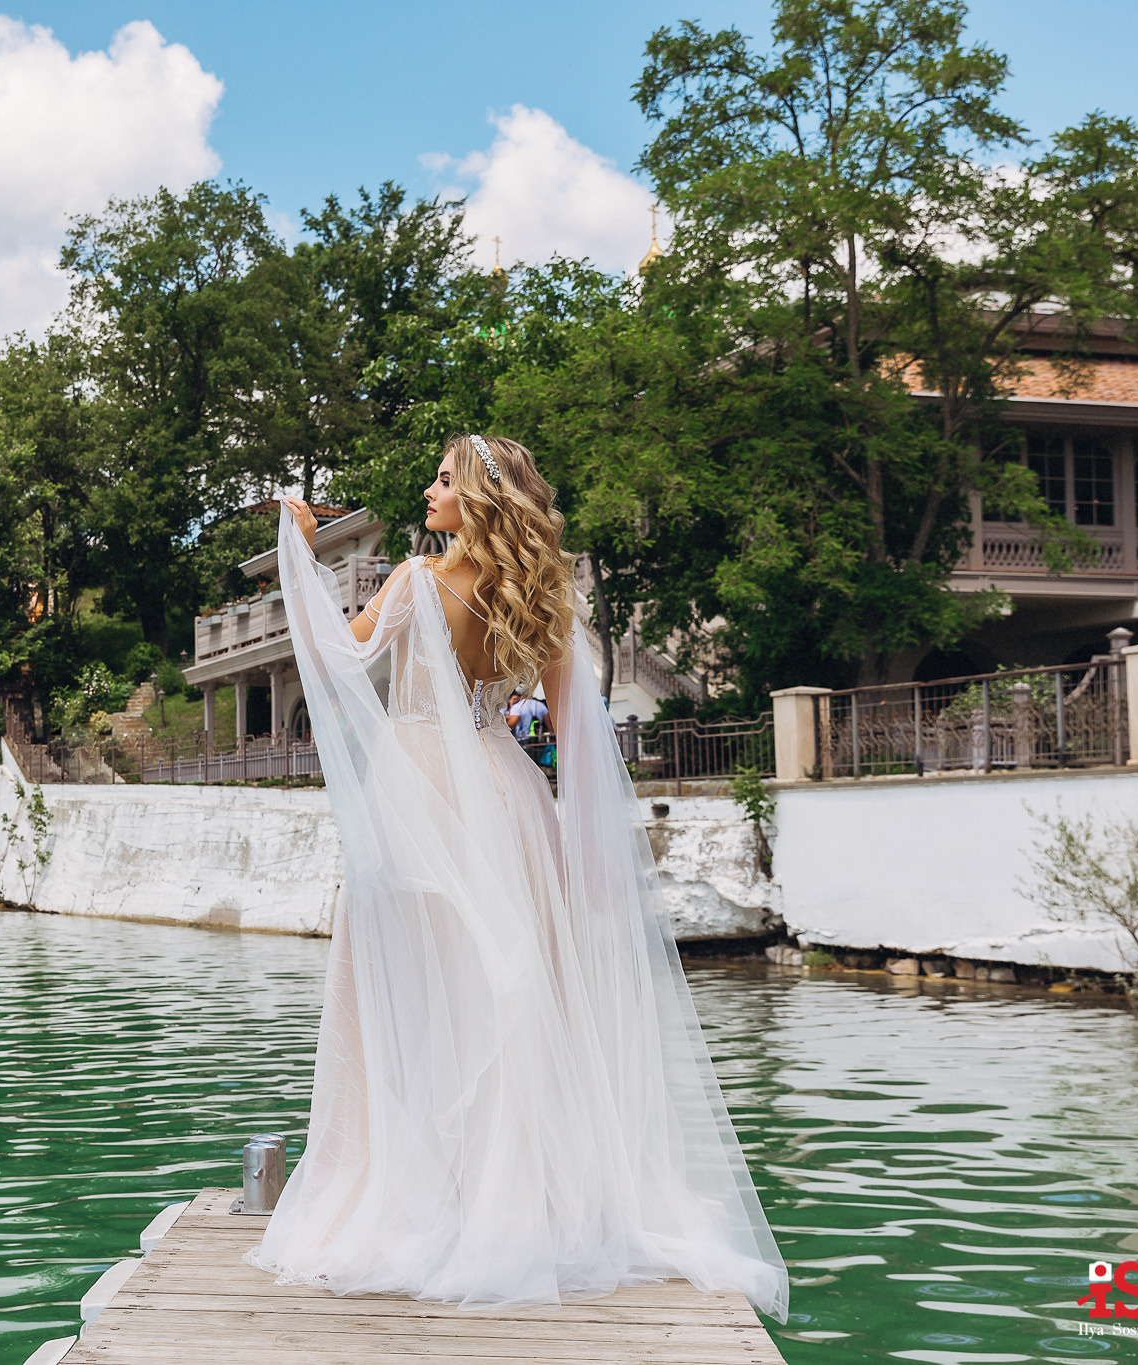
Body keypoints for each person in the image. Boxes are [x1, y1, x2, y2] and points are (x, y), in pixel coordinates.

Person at [243, 434, 789, 1322]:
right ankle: (509, 1200)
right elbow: (577, 733)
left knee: (414, 991)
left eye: (442, 480)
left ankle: (426, 1192)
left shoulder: (419, 581)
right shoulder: (539, 594)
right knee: (503, 999)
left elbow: (338, 654)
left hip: (421, 791)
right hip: (510, 797)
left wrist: (297, 550)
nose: (427, 490)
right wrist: (578, 849)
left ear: (476, 501)